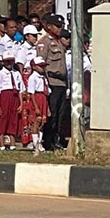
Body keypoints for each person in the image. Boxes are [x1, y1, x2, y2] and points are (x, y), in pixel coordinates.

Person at [37, 14, 68, 151]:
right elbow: (40, 63)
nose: (60, 29)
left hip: (62, 83)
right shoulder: (45, 42)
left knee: (60, 115)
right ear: (49, 26)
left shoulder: (59, 42)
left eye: (61, 26)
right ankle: (48, 141)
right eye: (57, 26)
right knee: (52, 114)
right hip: (52, 82)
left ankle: (56, 140)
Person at [0, 52, 22, 150]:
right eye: (7, 61)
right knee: (2, 119)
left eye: (11, 61)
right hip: (4, 97)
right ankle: (1, 144)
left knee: (13, 120)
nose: (9, 63)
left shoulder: (16, 73)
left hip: (14, 97)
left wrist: (21, 104)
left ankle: (12, 144)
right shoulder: (1, 74)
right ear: (3, 62)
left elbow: (21, 90)